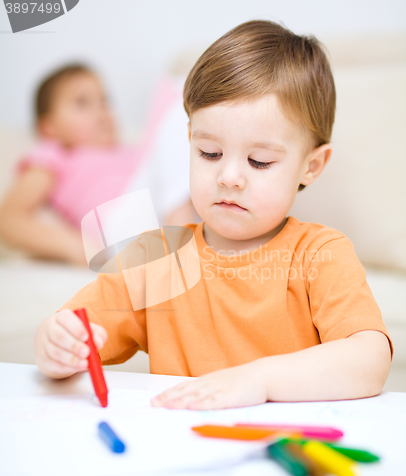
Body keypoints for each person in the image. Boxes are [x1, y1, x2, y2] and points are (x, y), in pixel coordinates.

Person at [33, 20, 393, 410]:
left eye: (259, 161)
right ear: (190, 141)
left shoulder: (320, 254)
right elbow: (78, 329)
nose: (230, 177)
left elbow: (369, 359)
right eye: (210, 154)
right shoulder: (156, 254)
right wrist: (55, 344)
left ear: (312, 166)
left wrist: (260, 379)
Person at [0, 64, 198, 265]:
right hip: (122, 225)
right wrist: (73, 246)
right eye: (82, 103)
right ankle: (181, 246)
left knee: (186, 98)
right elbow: (8, 219)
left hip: (155, 209)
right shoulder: (55, 153)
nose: (101, 111)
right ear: (49, 127)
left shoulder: (126, 150)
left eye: (104, 101)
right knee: (183, 107)